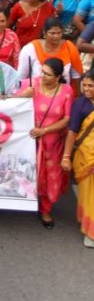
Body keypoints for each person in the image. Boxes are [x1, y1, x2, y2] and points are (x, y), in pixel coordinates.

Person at [15, 56, 73, 227]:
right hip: (28, 139)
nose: (43, 76)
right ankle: (24, 201)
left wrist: (45, 130)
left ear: (57, 77)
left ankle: (46, 209)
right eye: (42, 72)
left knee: (50, 176)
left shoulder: (66, 91)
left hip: (52, 142)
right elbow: (10, 105)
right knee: (26, 172)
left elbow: (67, 118)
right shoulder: (30, 84)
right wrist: (21, 96)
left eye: (48, 74)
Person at [61, 71, 94, 247]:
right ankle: (91, 232)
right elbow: (72, 132)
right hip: (87, 158)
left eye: (91, 86)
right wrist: (66, 156)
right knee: (90, 195)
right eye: (85, 85)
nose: (86, 89)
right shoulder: (80, 104)